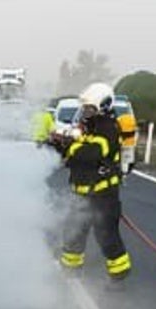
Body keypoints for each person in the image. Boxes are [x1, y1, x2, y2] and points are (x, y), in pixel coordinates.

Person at [53, 82, 131, 281]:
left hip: (103, 195)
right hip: (82, 193)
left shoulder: (108, 129)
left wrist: (70, 148)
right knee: (73, 232)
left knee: (107, 237)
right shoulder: (89, 127)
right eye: (85, 108)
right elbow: (76, 154)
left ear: (103, 107)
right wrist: (60, 145)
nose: (86, 112)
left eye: (90, 108)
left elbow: (92, 153)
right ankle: (69, 273)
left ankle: (119, 277)